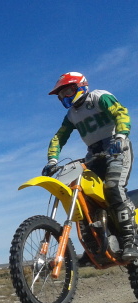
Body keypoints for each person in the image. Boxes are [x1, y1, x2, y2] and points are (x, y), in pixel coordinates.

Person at [42, 71, 138, 261]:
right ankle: (96, 243)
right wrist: (52, 160)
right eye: (61, 94)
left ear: (80, 87)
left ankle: (130, 241)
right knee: (82, 195)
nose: (65, 97)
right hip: (93, 154)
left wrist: (120, 136)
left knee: (112, 187)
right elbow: (59, 137)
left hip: (116, 147)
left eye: (68, 91)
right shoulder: (71, 115)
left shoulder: (99, 97)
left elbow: (121, 113)